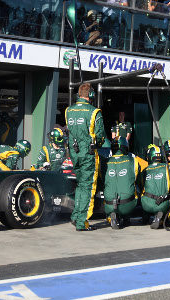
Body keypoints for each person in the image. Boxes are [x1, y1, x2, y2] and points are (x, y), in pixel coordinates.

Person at [65, 83, 107, 231]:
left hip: (74, 154)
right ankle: (82, 222)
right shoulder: (95, 112)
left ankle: (75, 216)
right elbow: (100, 136)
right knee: (88, 187)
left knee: (80, 186)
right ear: (91, 95)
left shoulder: (68, 111)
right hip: (88, 154)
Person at [104, 137, 146, 229]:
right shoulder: (133, 160)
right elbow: (141, 180)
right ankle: (126, 216)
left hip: (108, 204)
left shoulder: (105, 162)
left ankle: (111, 215)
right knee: (135, 187)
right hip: (128, 204)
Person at [140, 144, 170, 229]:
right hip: (162, 203)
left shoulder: (145, 170)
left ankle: (145, 218)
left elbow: (141, 184)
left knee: (142, 192)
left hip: (146, 204)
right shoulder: (166, 167)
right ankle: (160, 216)